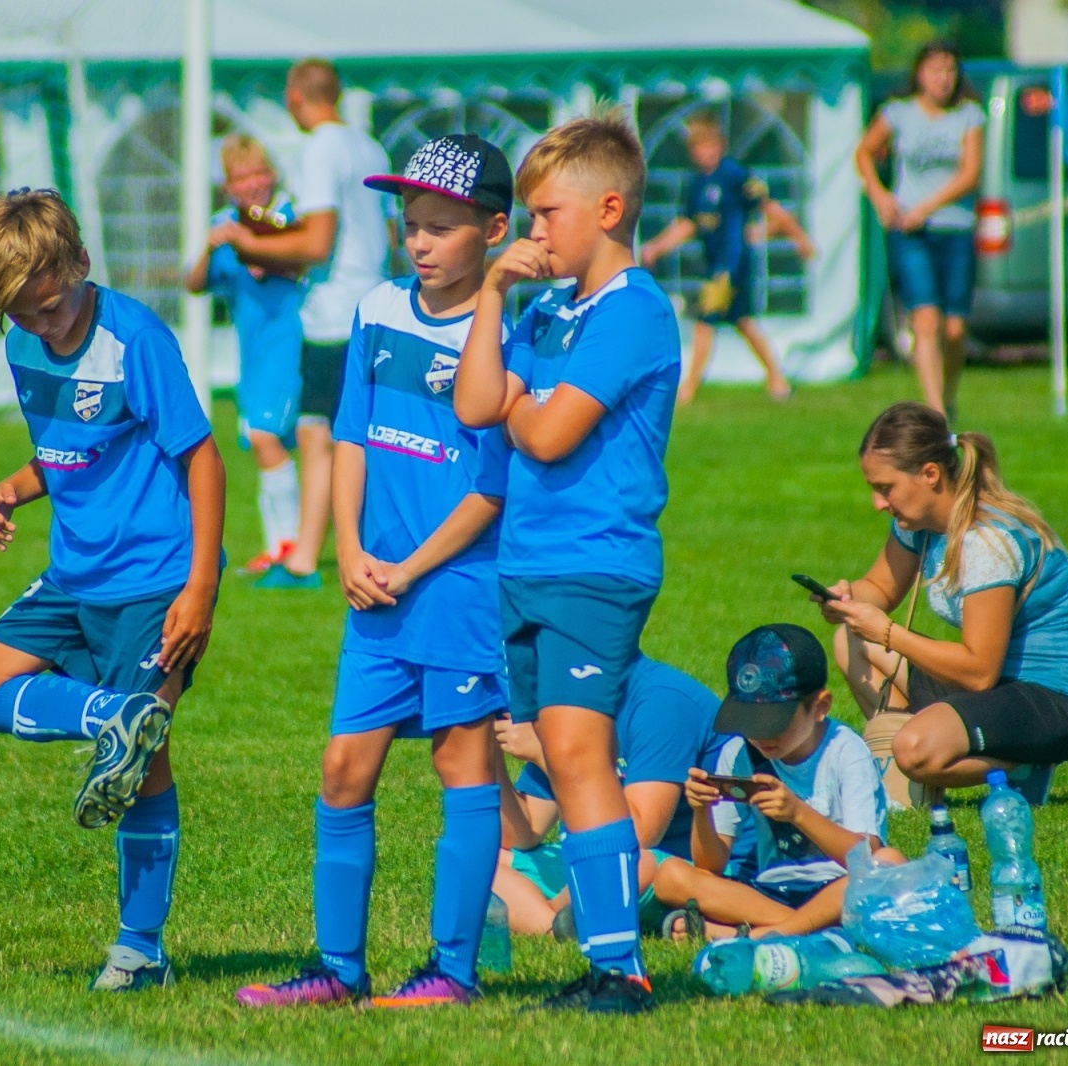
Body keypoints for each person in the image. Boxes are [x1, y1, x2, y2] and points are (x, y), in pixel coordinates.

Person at [235, 135, 514, 1009]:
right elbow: (351, 436)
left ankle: (452, 971)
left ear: (495, 231)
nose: (419, 243)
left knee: (461, 767)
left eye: (440, 227)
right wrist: (349, 550)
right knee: (343, 769)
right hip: (376, 588)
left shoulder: (507, 332)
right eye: (410, 225)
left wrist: (411, 565)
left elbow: (492, 486)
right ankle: (338, 970)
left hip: (459, 587)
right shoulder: (378, 310)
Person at [0, 189, 227, 993]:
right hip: (73, 576)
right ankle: (110, 715)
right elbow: (71, 452)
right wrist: (17, 485)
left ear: (80, 264)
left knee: (147, 762)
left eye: (55, 304)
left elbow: (203, 460)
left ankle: (139, 951)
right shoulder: (23, 345)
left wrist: (201, 585)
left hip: (156, 580)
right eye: (26, 316)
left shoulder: (135, 338)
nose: (47, 325)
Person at [454, 107, 681, 1015]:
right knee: (562, 747)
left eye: (546, 214)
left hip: (598, 563)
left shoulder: (635, 311)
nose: (533, 231)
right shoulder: (545, 308)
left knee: (581, 754)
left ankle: (619, 966)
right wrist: (493, 299)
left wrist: (518, 396)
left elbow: (542, 434)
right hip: (527, 564)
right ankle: (608, 958)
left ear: (611, 209)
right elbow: (478, 403)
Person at [816, 402, 1068, 808]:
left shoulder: (986, 542)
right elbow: (879, 587)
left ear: (929, 474)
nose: (878, 503)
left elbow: (979, 671)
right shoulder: (919, 524)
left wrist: (886, 632)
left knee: (912, 748)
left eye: (885, 488)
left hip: (1052, 699)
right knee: (850, 640)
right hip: (1000, 684)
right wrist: (845, 601)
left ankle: (1023, 764)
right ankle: (913, 770)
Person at [216, 57, 392, 590]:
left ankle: (303, 562)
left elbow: (316, 244)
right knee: (359, 439)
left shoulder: (321, 148)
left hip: (336, 313)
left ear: (296, 98)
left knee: (319, 437)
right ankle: (338, 552)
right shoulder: (370, 145)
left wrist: (247, 242)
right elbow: (385, 230)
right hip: (376, 300)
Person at [653, 625, 897, 941]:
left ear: (820, 706)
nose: (761, 736)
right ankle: (804, 927)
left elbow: (865, 857)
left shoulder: (845, 750)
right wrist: (701, 811)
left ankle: (750, 936)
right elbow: (711, 865)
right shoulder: (740, 752)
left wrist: (798, 813)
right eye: (751, 722)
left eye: (775, 723)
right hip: (768, 893)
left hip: (839, 884)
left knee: (888, 862)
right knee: (670, 876)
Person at [490, 654, 734, 939]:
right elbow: (524, 831)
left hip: (682, 868)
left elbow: (637, 835)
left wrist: (548, 756)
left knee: (632, 862)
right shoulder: (568, 704)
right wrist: (488, 747)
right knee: (489, 858)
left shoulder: (661, 703)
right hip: (614, 864)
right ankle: (557, 925)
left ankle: (561, 916)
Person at [187, 133, 305, 575]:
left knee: (266, 437)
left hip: (292, 344)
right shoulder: (226, 222)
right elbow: (194, 283)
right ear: (228, 186)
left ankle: (288, 548)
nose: (252, 183)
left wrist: (261, 250)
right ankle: (277, 546)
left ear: (272, 173)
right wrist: (212, 246)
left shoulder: (293, 216)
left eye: (258, 172)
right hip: (252, 355)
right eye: (241, 177)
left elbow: (303, 262)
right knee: (262, 444)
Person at [640, 110, 815, 405]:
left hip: (730, 265)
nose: (705, 153)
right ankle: (778, 380)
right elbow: (688, 224)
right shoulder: (697, 185)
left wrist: (798, 237)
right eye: (699, 148)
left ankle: (688, 388)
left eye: (710, 146)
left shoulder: (733, 175)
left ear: (720, 146)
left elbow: (768, 206)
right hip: (715, 262)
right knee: (743, 321)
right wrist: (656, 247)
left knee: (704, 322)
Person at [855, 41, 984, 419]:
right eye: (934, 70)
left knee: (955, 329)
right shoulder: (898, 113)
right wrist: (880, 196)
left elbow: (970, 174)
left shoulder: (969, 116)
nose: (942, 78)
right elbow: (863, 152)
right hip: (911, 233)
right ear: (919, 74)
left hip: (955, 227)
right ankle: (936, 412)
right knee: (925, 320)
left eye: (948, 70)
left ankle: (948, 393)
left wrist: (927, 207)